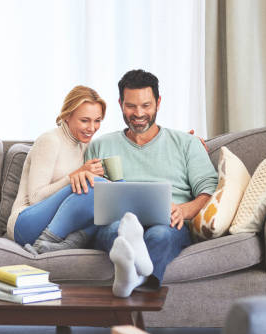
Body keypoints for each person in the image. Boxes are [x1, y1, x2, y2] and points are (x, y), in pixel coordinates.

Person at [84, 69, 218, 297]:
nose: (138, 113)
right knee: (118, 231)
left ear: (158, 102)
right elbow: (88, 197)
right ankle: (141, 278)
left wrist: (183, 210)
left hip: (168, 224)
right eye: (131, 106)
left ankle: (131, 279)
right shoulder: (100, 146)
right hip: (115, 224)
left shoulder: (186, 143)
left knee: (159, 236)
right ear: (120, 104)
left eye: (146, 105)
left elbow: (208, 189)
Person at [6, 85, 108, 252]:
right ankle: (44, 243)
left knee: (113, 191)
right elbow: (35, 198)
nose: (92, 128)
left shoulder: (83, 145)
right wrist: (74, 176)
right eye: (85, 120)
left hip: (58, 226)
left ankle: (71, 242)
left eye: (97, 121)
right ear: (67, 116)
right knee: (94, 184)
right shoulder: (50, 141)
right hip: (24, 223)